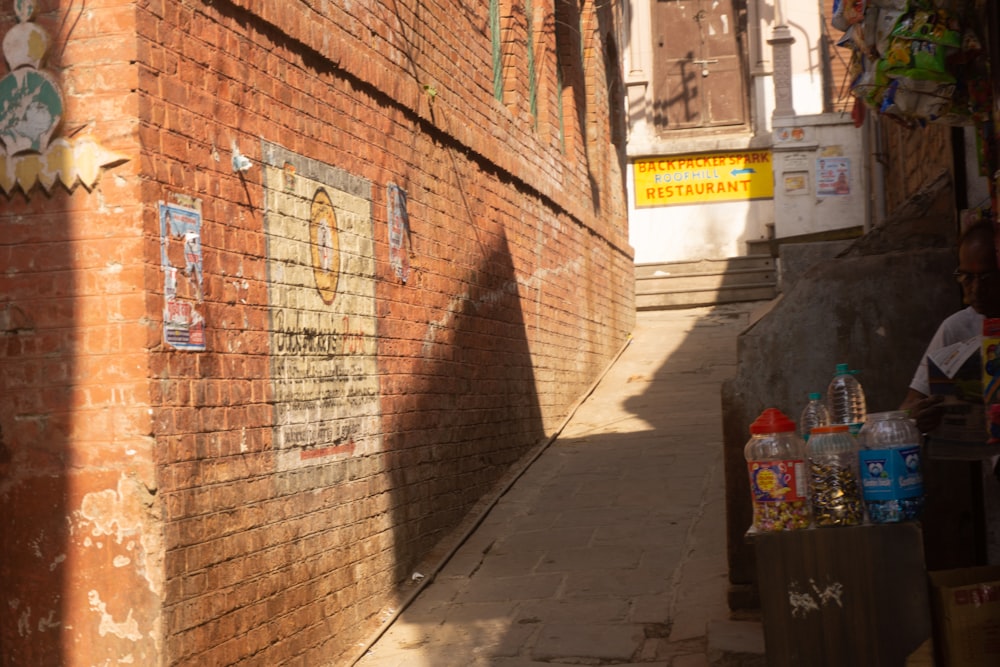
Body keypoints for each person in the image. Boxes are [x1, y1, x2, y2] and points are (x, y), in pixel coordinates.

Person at [901, 220, 1000, 433]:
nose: (976, 289)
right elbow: (908, 406)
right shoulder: (956, 328)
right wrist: (916, 417)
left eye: (987, 278)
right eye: (967, 277)